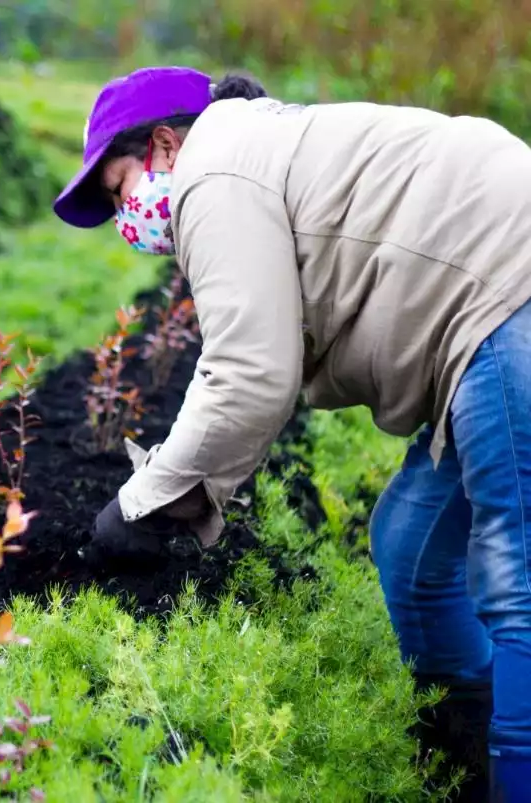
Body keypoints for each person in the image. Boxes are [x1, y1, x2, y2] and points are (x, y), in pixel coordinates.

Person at [58, 65, 531, 801]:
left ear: (160, 146)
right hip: (478, 313)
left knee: (517, 579)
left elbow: (251, 369)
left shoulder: (211, 170)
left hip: (506, 290)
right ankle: (460, 752)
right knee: (410, 545)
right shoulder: (244, 151)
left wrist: (143, 504)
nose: (127, 221)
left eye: (120, 191)